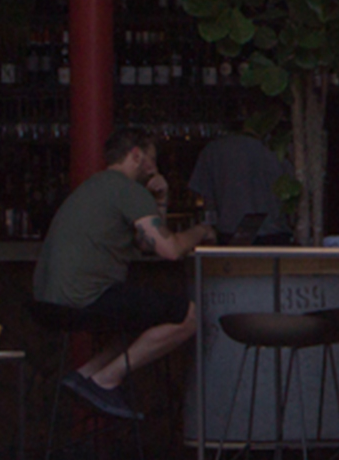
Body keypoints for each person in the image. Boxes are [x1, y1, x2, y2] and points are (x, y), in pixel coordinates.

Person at [30, 129, 215, 422]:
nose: (154, 169)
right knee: (189, 316)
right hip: (83, 300)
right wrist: (202, 231)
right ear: (136, 155)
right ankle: (105, 381)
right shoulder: (128, 189)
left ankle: (85, 376)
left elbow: (147, 242)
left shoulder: (94, 186)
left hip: (47, 303)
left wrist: (162, 200)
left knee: (140, 321)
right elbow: (168, 249)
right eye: (152, 160)